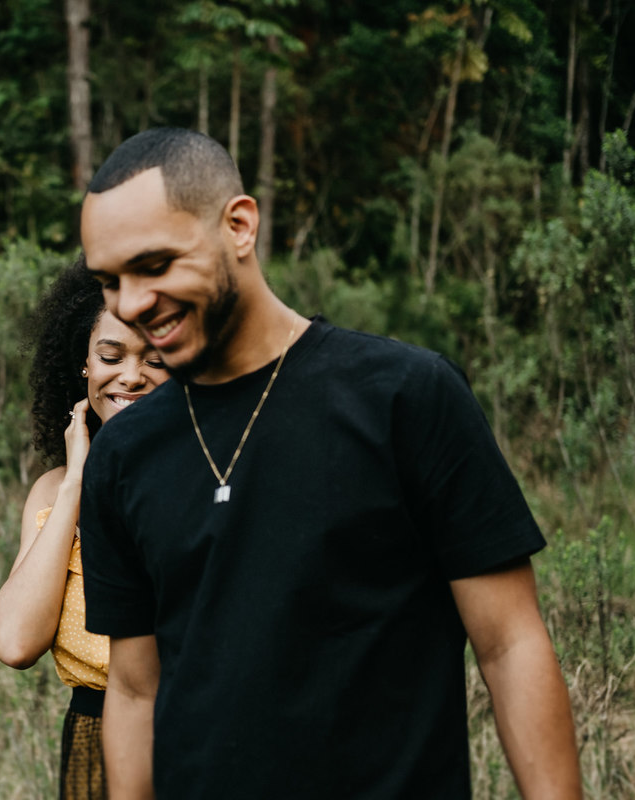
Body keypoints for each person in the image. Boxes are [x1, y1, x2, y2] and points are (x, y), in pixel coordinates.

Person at [75, 128, 582, 799]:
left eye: (155, 266)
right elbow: (137, 692)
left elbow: (510, 644)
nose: (131, 305)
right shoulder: (123, 453)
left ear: (239, 226)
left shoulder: (405, 396)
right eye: (110, 281)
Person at [0, 258, 170, 799]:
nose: (132, 375)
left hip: (196, 739)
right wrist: (76, 485)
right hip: (93, 742)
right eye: (111, 356)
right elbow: (17, 642)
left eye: (156, 359)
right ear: (85, 366)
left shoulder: (211, 481)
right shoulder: (53, 491)